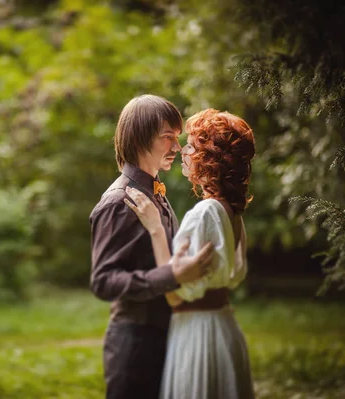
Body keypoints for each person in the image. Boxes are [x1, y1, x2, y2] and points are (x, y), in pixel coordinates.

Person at [89, 94, 215, 399]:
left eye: (177, 137)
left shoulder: (156, 193)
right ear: (140, 137)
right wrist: (172, 276)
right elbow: (103, 281)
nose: (176, 147)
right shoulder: (120, 202)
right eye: (167, 137)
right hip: (135, 345)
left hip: (166, 336)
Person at [125, 108, 256, 399]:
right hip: (222, 326)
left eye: (191, 145)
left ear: (208, 157)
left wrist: (156, 229)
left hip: (200, 333)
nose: (182, 150)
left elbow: (174, 294)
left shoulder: (206, 212)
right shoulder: (231, 211)